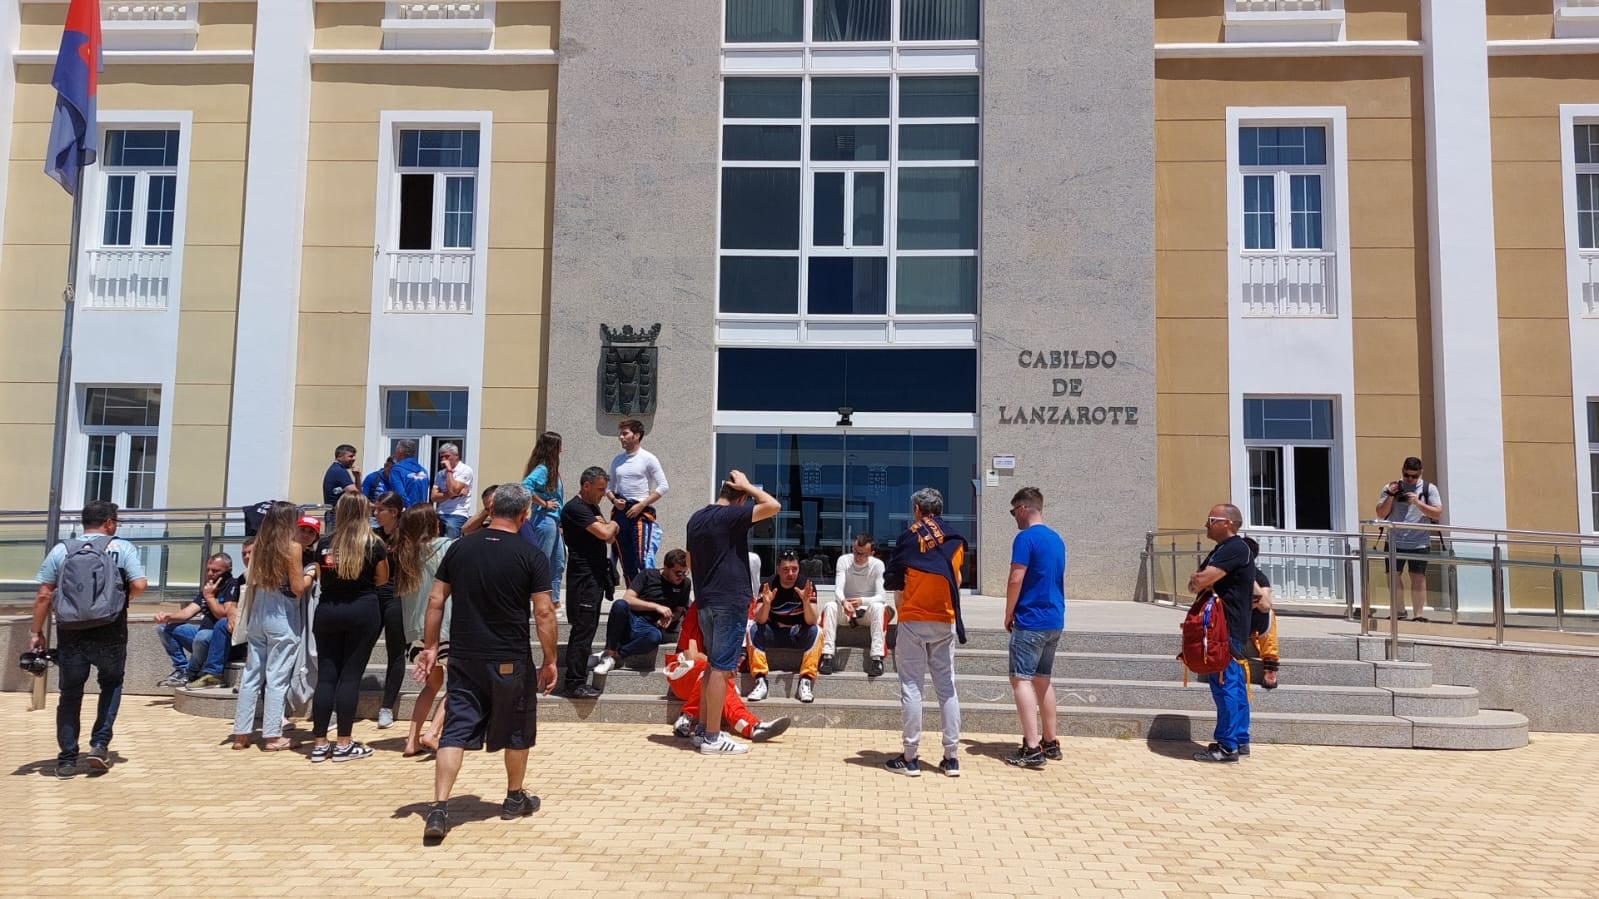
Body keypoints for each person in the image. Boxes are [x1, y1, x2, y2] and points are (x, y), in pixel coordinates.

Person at [413, 484, 556, 844]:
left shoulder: (460, 548)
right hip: (509, 656)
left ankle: (439, 807)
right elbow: (543, 612)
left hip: (464, 654)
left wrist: (430, 647)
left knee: (456, 729)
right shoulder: (530, 554)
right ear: (524, 515)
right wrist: (551, 660)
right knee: (518, 726)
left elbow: (435, 600)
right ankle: (513, 796)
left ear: (491, 510)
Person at [30, 501, 148, 778]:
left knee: (70, 694)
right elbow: (140, 584)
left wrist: (36, 632)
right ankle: (99, 745)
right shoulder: (122, 547)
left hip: (71, 632)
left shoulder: (62, 550)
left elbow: (45, 594)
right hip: (111, 629)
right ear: (108, 522)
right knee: (111, 683)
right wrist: (118, 601)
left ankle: (67, 759)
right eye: (115, 521)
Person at [684, 470, 781, 755]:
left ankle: (702, 731)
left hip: (705, 599)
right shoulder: (731, 516)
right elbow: (773, 506)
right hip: (729, 601)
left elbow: (690, 560)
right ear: (740, 497)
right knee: (722, 669)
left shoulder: (696, 518)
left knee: (713, 666)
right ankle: (713, 737)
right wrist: (751, 487)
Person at [882, 487, 967, 778]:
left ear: (918, 509)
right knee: (947, 689)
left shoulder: (909, 537)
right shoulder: (956, 540)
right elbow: (957, 578)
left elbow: (893, 579)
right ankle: (951, 757)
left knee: (912, 688)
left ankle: (910, 757)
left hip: (914, 618)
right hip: (945, 619)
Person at [309, 493, 389, 762]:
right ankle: (344, 743)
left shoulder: (323, 544)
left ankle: (320, 743)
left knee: (326, 676)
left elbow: (321, 576)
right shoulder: (373, 543)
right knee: (351, 677)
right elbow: (382, 578)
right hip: (362, 609)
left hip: (328, 610)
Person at [231, 503, 317, 752]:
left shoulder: (258, 547)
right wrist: (311, 574)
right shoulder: (292, 547)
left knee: (251, 676)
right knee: (277, 677)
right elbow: (298, 588)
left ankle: (241, 734)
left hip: (258, 612)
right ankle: (272, 735)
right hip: (282, 615)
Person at [1002, 487, 1067, 769]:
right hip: (1054, 618)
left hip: (1031, 618)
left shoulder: (1025, 538)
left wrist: (1008, 613)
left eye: (1014, 510)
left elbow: (1016, 578)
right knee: (1043, 679)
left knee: (1021, 679)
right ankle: (1050, 741)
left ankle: (1031, 747)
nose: (1013, 516)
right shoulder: (1056, 539)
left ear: (1025, 508)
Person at [666, 600, 790, 744]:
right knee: (710, 671)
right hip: (684, 673)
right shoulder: (700, 606)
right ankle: (688, 714)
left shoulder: (748, 603)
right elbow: (691, 654)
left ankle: (753, 728)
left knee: (721, 686)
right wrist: (723, 667)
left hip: (714, 677)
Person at [1188, 503, 1256, 763]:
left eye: (1211, 519)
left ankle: (1227, 746)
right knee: (1235, 683)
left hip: (1225, 628)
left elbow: (1199, 581)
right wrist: (1200, 579)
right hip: (1229, 627)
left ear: (1226, 523)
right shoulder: (1224, 550)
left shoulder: (1235, 548)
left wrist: (1201, 578)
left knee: (1225, 684)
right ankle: (1239, 738)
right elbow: (1194, 582)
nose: (1206, 524)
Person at [392, 503, 454, 756]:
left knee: (431, 685)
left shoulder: (404, 554)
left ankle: (411, 740)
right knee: (460, 684)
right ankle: (433, 732)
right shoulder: (447, 547)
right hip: (445, 628)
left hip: (414, 631)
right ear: (433, 524)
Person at [560, 466, 618, 699]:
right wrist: (613, 523)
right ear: (586, 486)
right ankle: (574, 683)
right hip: (583, 579)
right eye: (600, 489)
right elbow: (607, 533)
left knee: (589, 627)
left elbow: (608, 535)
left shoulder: (592, 507)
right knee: (582, 629)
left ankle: (578, 676)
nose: (603, 494)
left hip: (594, 578)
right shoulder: (576, 508)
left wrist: (608, 527)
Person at [590, 549, 692, 678]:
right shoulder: (647, 575)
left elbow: (679, 609)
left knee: (654, 637)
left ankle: (614, 655)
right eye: (678, 573)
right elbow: (628, 598)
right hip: (632, 618)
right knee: (620, 605)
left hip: (649, 626)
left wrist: (670, 617)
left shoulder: (685, 584)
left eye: (685, 573)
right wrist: (656, 607)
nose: (681, 577)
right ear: (666, 568)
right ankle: (609, 651)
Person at [744, 549, 822, 704]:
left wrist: (806, 602)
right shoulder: (768, 585)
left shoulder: (806, 585)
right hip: (774, 632)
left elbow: (812, 621)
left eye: (794, 569)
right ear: (778, 569)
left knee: (817, 631)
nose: (790, 574)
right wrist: (766, 604)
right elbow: (759, 620)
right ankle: (760, 681)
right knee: (752, 629)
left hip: (797, 633)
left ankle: (805, 681)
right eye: (786, 570)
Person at [1375, 456, 1444, 622]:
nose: (1410, 479)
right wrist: (1391, 495)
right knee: (1393, 575)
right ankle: (1399, 611)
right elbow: (1380, 513)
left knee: (1418, 577)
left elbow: (1437, 513)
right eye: (1407, 475)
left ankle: (1418, 615)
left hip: (1419, 541)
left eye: (1414, 476)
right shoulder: (1391, 487)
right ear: (1402, 471)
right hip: (1394, 541)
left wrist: (1417, 503)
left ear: (1420, 473)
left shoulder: (1429, 488)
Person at [153, 553, 235, 687]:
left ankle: (191, 673)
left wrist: (210, 598)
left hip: (220, 642)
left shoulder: (232, 586)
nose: (210, 573)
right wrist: (168, 617)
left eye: (215, 571)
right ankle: (182, 669)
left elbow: (223, 615)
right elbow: (187, 612)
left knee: (202, 636)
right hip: (201, 638)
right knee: (164, 628)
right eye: (208, 570)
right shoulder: (209, 587)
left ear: (228, 571)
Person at [820, 533, 891, 678]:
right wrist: (844, 602)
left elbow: (881, 596)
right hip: (847, 610)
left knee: (879, 608)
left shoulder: (878, 565)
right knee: (829, 606)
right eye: (855, 552)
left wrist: (862, 601)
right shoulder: (844, 561)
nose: (858, 557)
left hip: (866, 612)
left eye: (863, 554)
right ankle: (827, 656)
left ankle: (877, 659)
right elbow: (838, 589)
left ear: (872, 553)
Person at [607, 418, 669, 585]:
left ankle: (648, 595)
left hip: (640, 513)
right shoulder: (617, 460)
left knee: (642, 559)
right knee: (626, 561)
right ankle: (631, 598)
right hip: (621, 513)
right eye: (620, 434)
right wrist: (614, 499)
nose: (621, 437)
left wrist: (641, 505)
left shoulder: (648, 458)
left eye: (625, 433)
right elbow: (608, 487)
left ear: (637, 435)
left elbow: (663, 486)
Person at [521, 432, 567, 617]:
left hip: (553, 521)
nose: (562, 449)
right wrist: (544, 503)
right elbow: (525, 486)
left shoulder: (550, 469)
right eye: (559, 446)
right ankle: (539, 600)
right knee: (543, 561)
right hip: (545, 519)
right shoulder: (543, 469)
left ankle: (553, 600)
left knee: (557, 561)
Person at [1242, 537, 1281, 690]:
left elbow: (1265, 606)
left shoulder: (1258, 577)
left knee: (1269, 614)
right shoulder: (1222, 572)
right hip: (1229, 621)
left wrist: (1248, 575)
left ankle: (1270, 666)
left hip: (1248, 623)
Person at [431, 443, 476, 538]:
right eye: (442, 457)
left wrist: (449, 470)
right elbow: (433, 497)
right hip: (440, 512)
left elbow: (453, 489)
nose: (444, 460)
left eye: (447, 456)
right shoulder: (440, 474)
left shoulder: (465, 470)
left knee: (451, 542)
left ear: (456, 456)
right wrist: (453, 494)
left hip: (457, 514)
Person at [322, 444, 361, 526]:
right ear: (339, 456)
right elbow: (357, 496)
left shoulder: (336, 469)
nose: (354, 459)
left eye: (354, 456)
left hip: (336, 516)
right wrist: (376, 506)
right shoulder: (339, 471)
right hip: (338, 517)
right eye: (350, 456)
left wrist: (357, 477)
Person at [390, 440, 432, 507]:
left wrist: (410, 510)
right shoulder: (423, 471)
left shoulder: (397, 470)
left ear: (400, 451)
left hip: (408, 512)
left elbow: (399, 495)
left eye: (396, 450)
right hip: (422, 511)